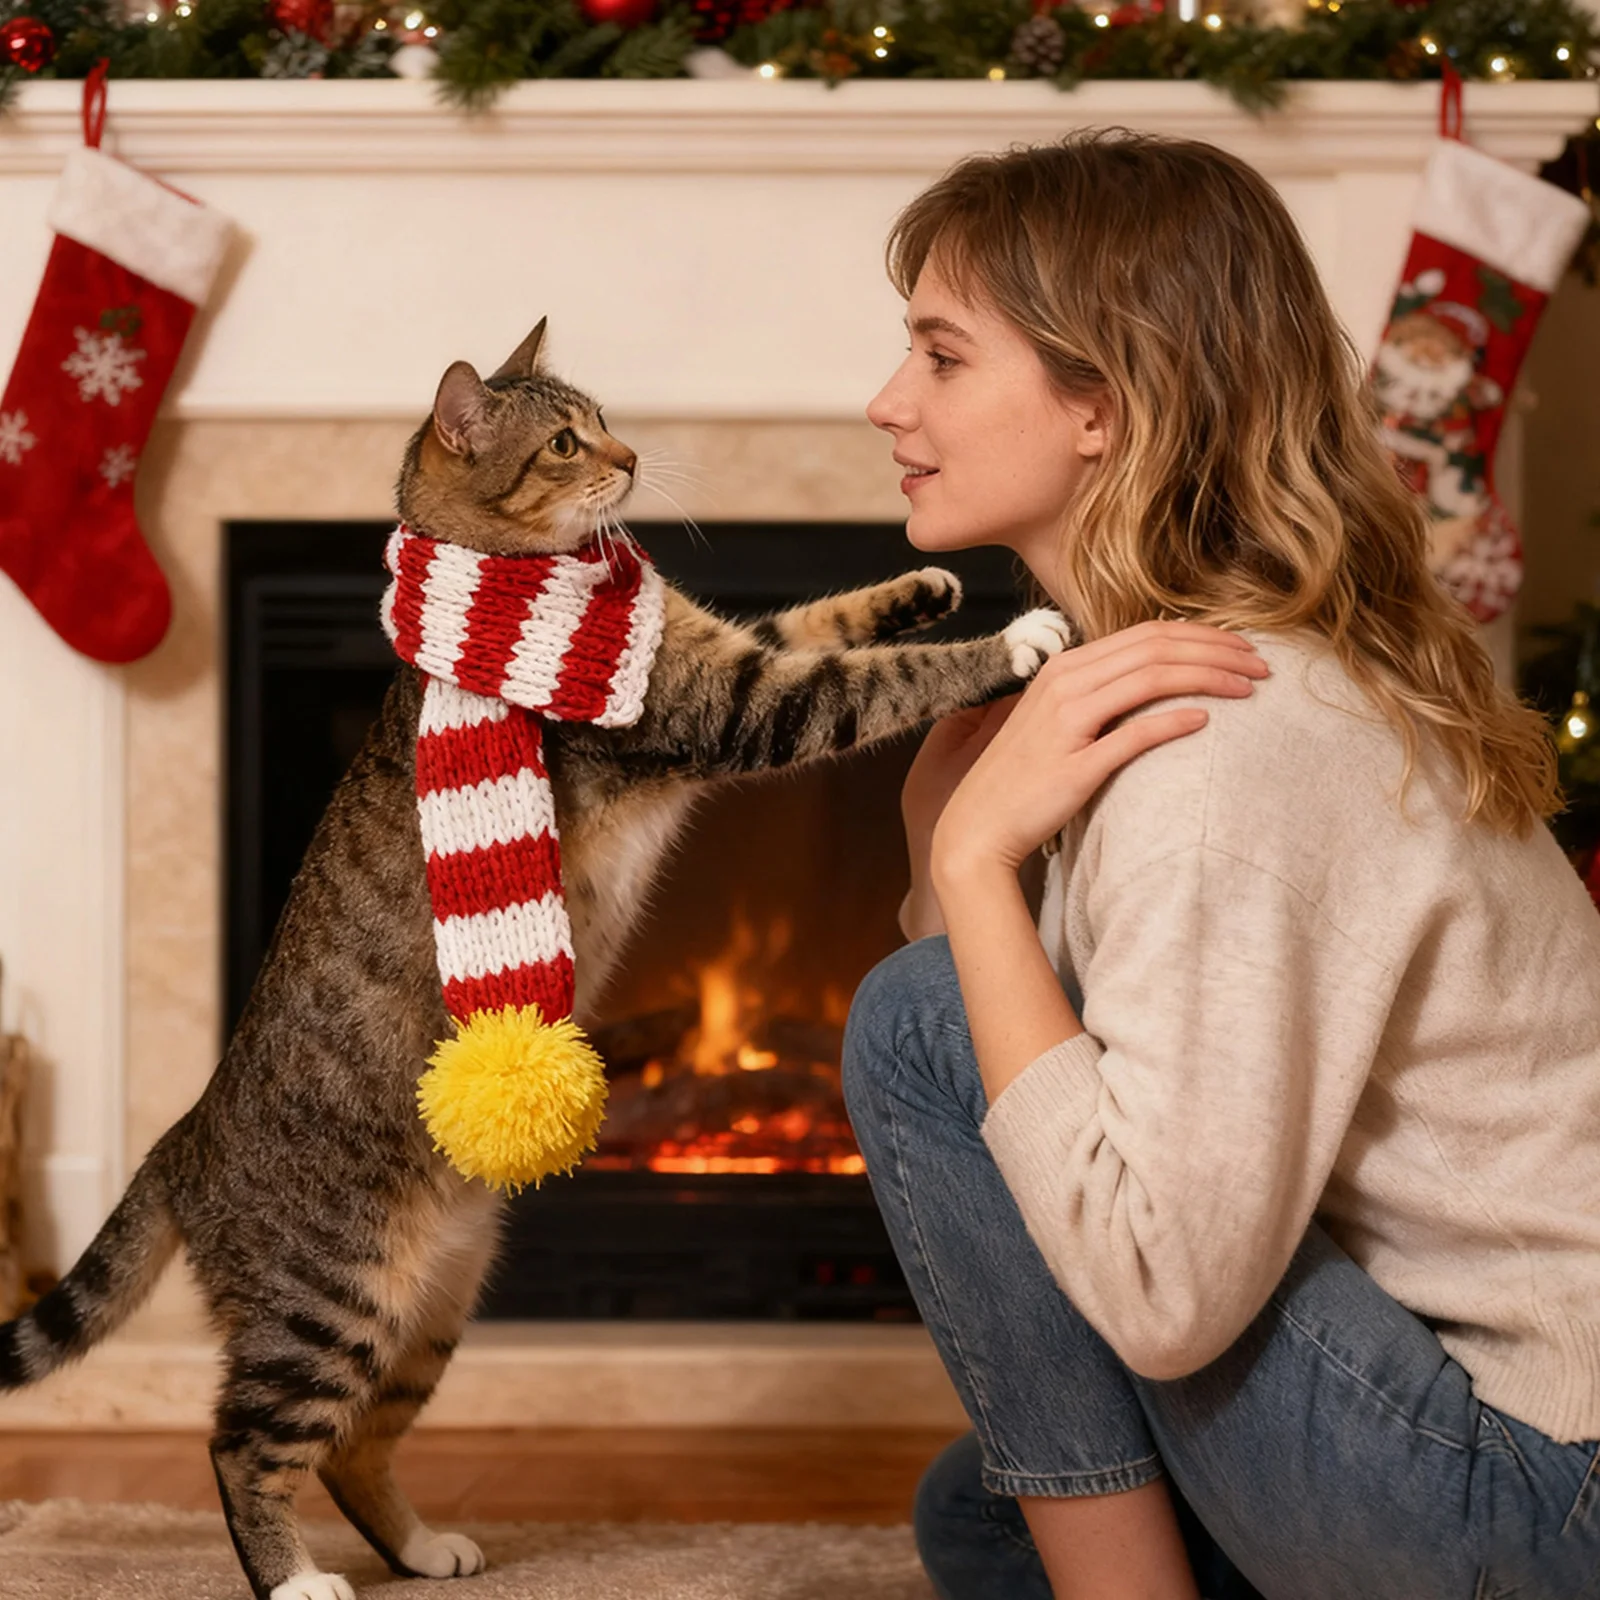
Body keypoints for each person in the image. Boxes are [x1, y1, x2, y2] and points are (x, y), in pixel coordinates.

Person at [840, 130, 1600, 1600]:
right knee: (990, 1510)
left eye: (941, 357)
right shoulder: (1213, 679)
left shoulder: (1218, 742)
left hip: (1548, 1483)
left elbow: (1162, 1293)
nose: (887, 403)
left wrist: (986, 859)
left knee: (921, 1019)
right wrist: (952, 848)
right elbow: (1067, 1112)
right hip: (1531, 1450)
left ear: (1103, 409)